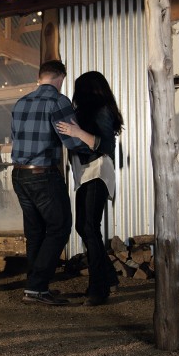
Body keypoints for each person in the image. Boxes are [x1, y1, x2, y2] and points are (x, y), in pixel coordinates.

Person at [10, 60, 92, 306]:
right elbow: (72, 140)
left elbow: (16, 138)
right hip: (43, 174)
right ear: (61, 77)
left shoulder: (21, 102)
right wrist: (93, 145)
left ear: (40, 76)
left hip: (19, 174)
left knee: (35, 232)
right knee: (59, 227)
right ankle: (36, 287)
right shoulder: (58, 101)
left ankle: (34, 286)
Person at [56, 71, 123, 306]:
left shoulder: (102, 109)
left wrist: (76, 132)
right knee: (83, 227)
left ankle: (98, 289)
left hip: (98, 171)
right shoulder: (85, 112)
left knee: (90, 228)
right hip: (85, 174)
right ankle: (110, 278)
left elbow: (103, 144)